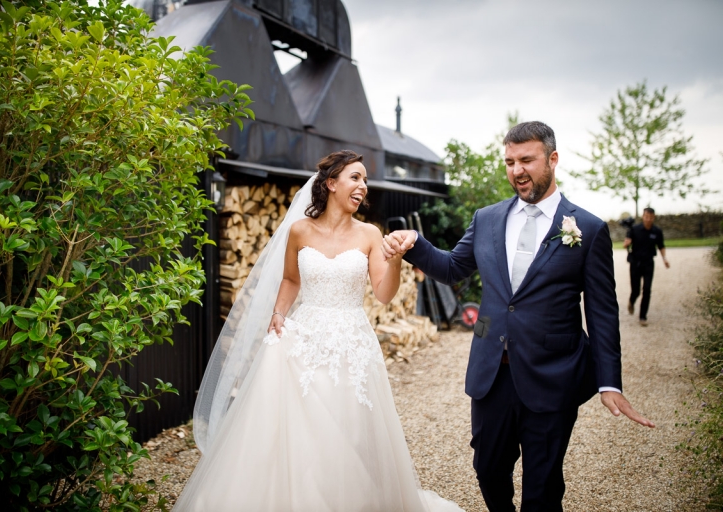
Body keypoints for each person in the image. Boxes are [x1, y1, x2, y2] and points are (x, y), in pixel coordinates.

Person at [382, 122, 654, 512]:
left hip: (553, 374)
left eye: (526, 160)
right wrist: (415, 243)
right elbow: (452, 267)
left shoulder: (588, 230)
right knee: (488, 470)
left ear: (553, 159)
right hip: (492, 374)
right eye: (509, 161)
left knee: (542, 488)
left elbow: (602, 312)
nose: (517, 170)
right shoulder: (488, 218)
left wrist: (609, 381)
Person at [174, 150, 463, 511]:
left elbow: (385, 295)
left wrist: (394, 263)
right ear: (331, 184)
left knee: (348, 430)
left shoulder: (371, 234)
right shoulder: (299, 231)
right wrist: (279, 313)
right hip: (303, 342)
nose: (363, 186)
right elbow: (292, 280)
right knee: (300, 431)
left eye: (365, 180)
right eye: (355, 178)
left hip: (351, 345)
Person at [624, 207, 670, 326]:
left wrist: (664, 259)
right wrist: (626, 244)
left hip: (648, 263)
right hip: (635, 263)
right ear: (643, 217)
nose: (648, 219)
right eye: (646, 216)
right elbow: (626, 243)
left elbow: (661, 246)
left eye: (650, 217)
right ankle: (631, 301)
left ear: (653, 217)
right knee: (636, 290)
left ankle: (642, 317)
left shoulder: (657, 231)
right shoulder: (634, 229)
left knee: (647, 289)